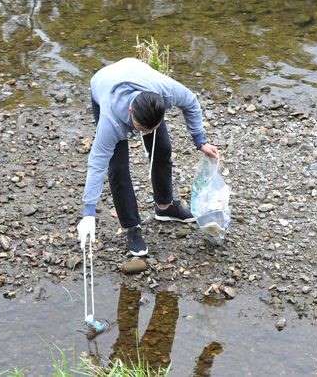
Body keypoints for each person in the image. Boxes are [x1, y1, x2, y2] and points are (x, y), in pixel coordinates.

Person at [77, 57, 219, 256]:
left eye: (150, 128)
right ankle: (132, 228)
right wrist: (89, 213)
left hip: (137, 73)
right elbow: (96, 163)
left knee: (162, 148)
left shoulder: (166, 92)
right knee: (117, 169)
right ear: (130, 112)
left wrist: (200, 141)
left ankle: (164, 207)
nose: (145, 133)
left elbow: (192, 103)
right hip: (103, 85)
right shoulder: (111, 122)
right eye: (142, 129)